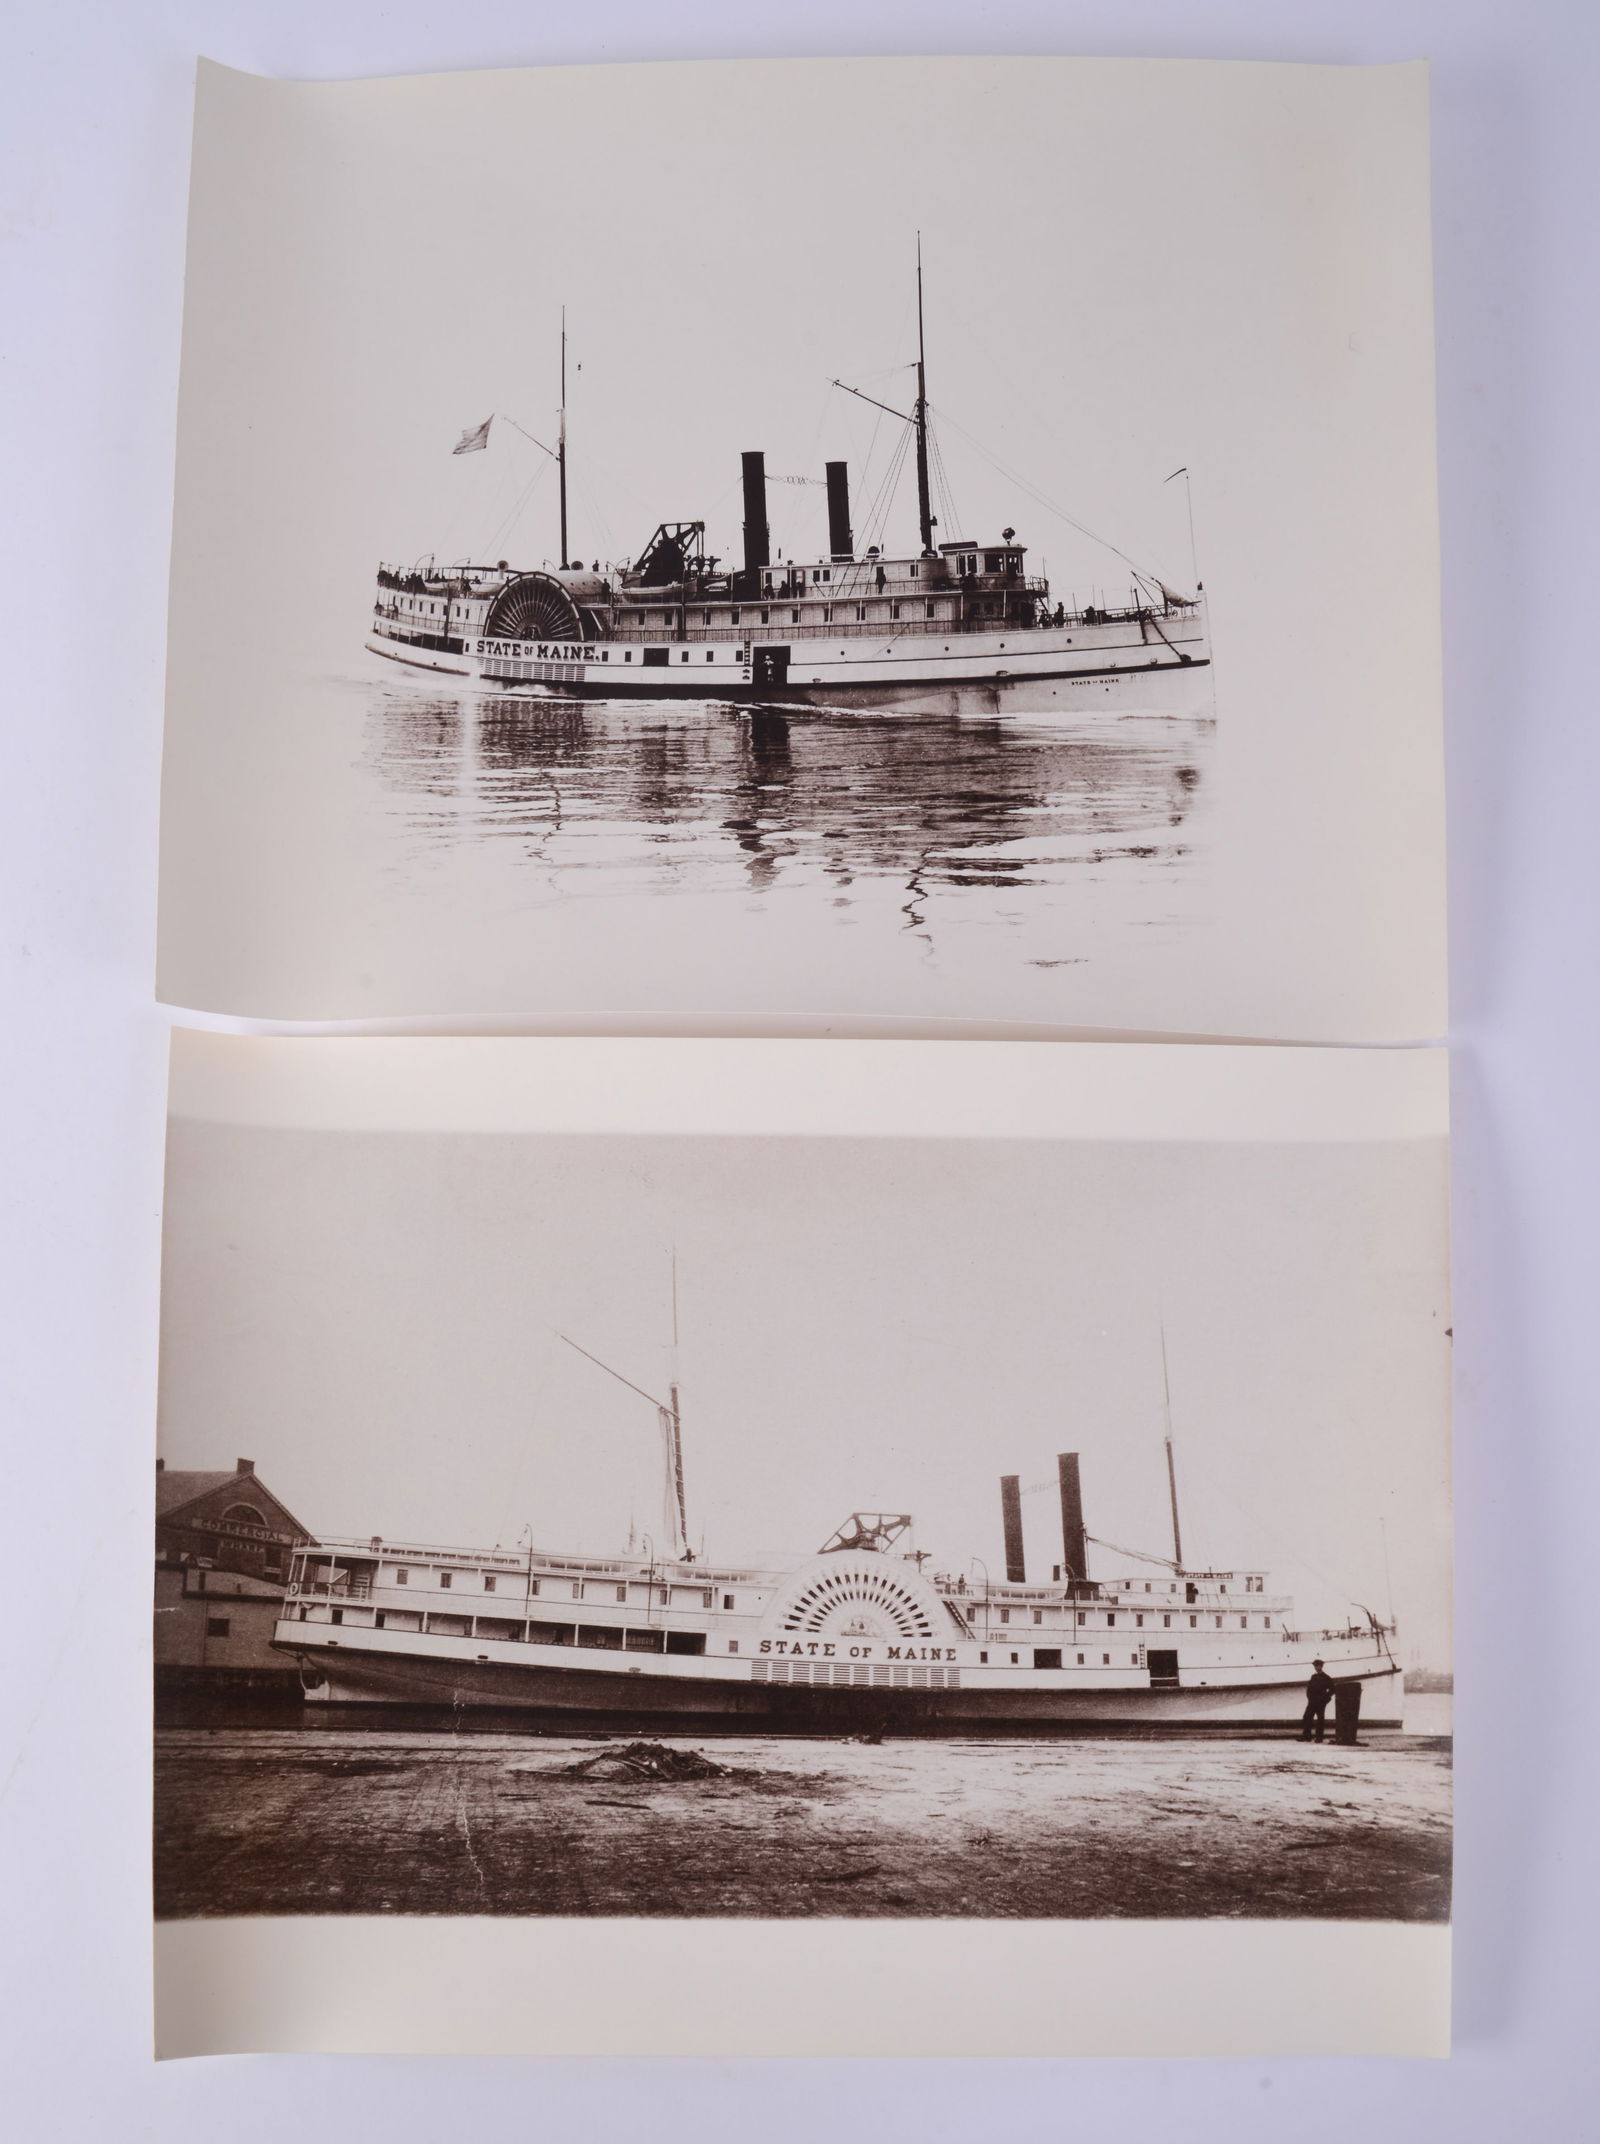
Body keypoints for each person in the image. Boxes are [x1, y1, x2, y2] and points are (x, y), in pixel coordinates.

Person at [1300, 1658, 1338, 1742]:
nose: (1317, 1667)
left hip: (1320, 1702)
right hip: (1312, 1702)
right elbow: (1309, 1689)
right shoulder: (1313, 1677)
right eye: (1315, 1666)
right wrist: (1309, 1698)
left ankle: (1319, 1738)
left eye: (1318, 1666)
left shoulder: (1326, 1678)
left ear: (1321, 1666)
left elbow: (1332, 1689)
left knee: (1320, 1720)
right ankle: (1307, 1736)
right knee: (1306, 1717)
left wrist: (1325, 1699)